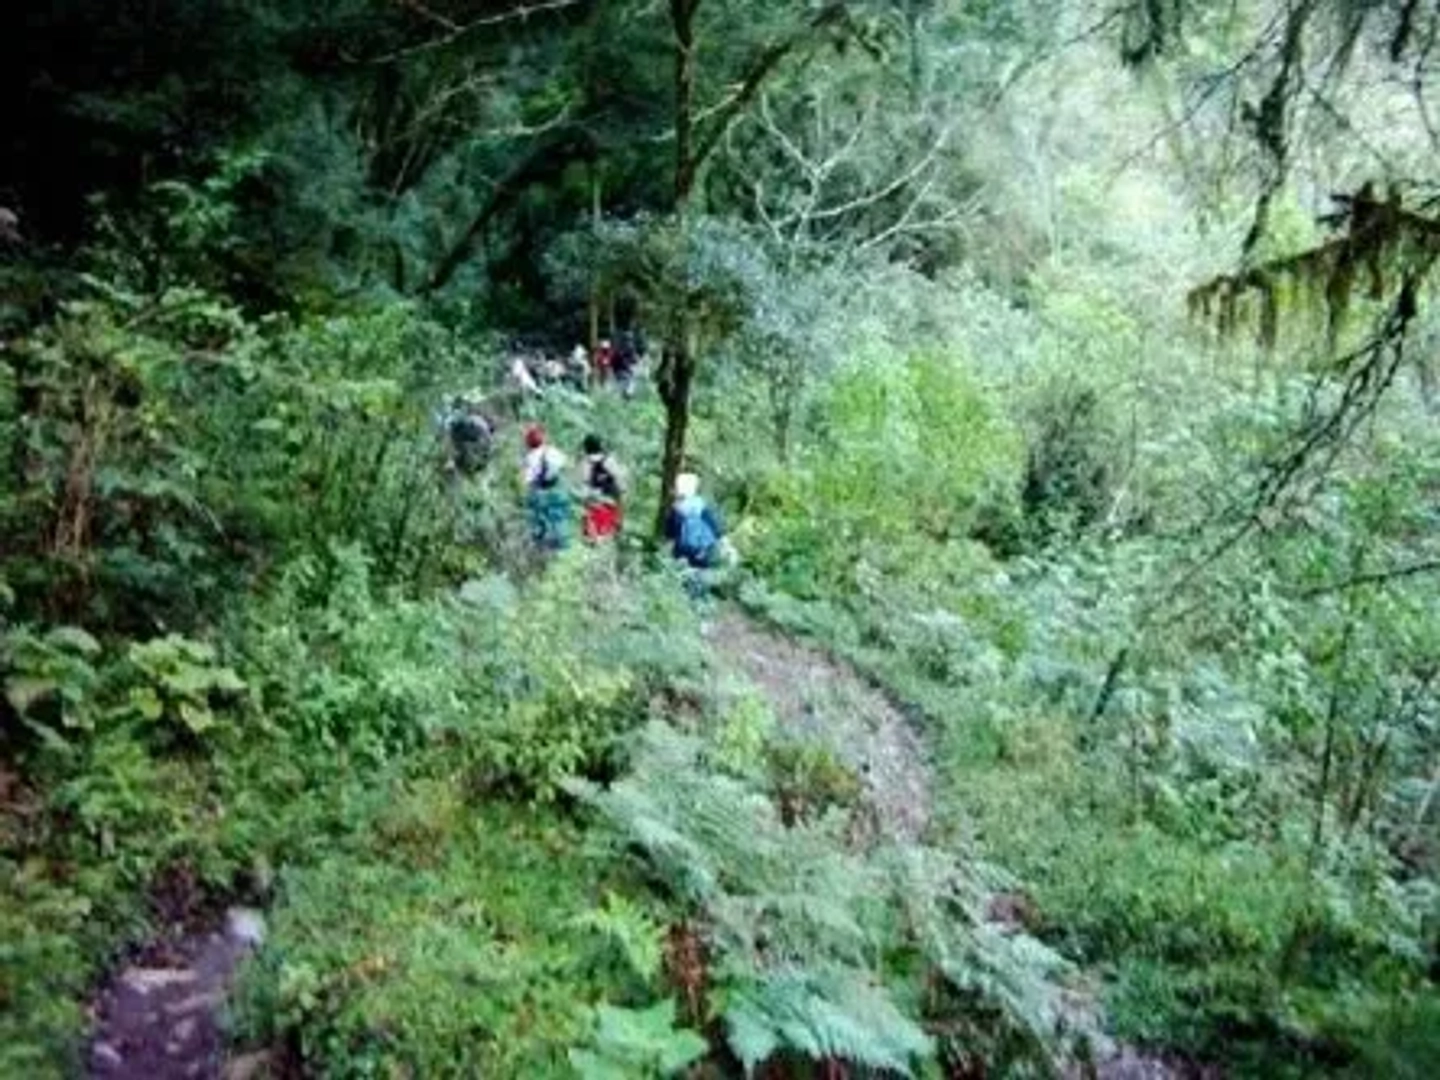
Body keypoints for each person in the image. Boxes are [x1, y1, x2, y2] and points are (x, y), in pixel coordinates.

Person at [521, 425, 570, 551]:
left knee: (538, 517)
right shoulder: (552, 451)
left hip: (539, 490)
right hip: (556, 488)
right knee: (557, 516)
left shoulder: (530, 457)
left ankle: (540, 544)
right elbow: (564, 463)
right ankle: (560, 542)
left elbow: (527, 479)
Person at [663, 472, 724, 569]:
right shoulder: (702, 506)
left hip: (680, 553)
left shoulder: (676, 508)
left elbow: (669, 535)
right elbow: (716, 532)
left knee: (679, 579)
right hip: (701, 553)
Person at [579, 434, 625, 541]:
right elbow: (619, 479)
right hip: (610, 499)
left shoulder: (584, 462)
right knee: (610, 530)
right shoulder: (609, 460)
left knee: (591, 532)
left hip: (593, 499)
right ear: (600, 445)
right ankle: (617, 529)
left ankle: (588, 536)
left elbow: (585, 484)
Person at [447, 395, 494, 475]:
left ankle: (456, 463)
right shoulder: (476, 421)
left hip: (476, 440)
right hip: (478, 448)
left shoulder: (471, 423)